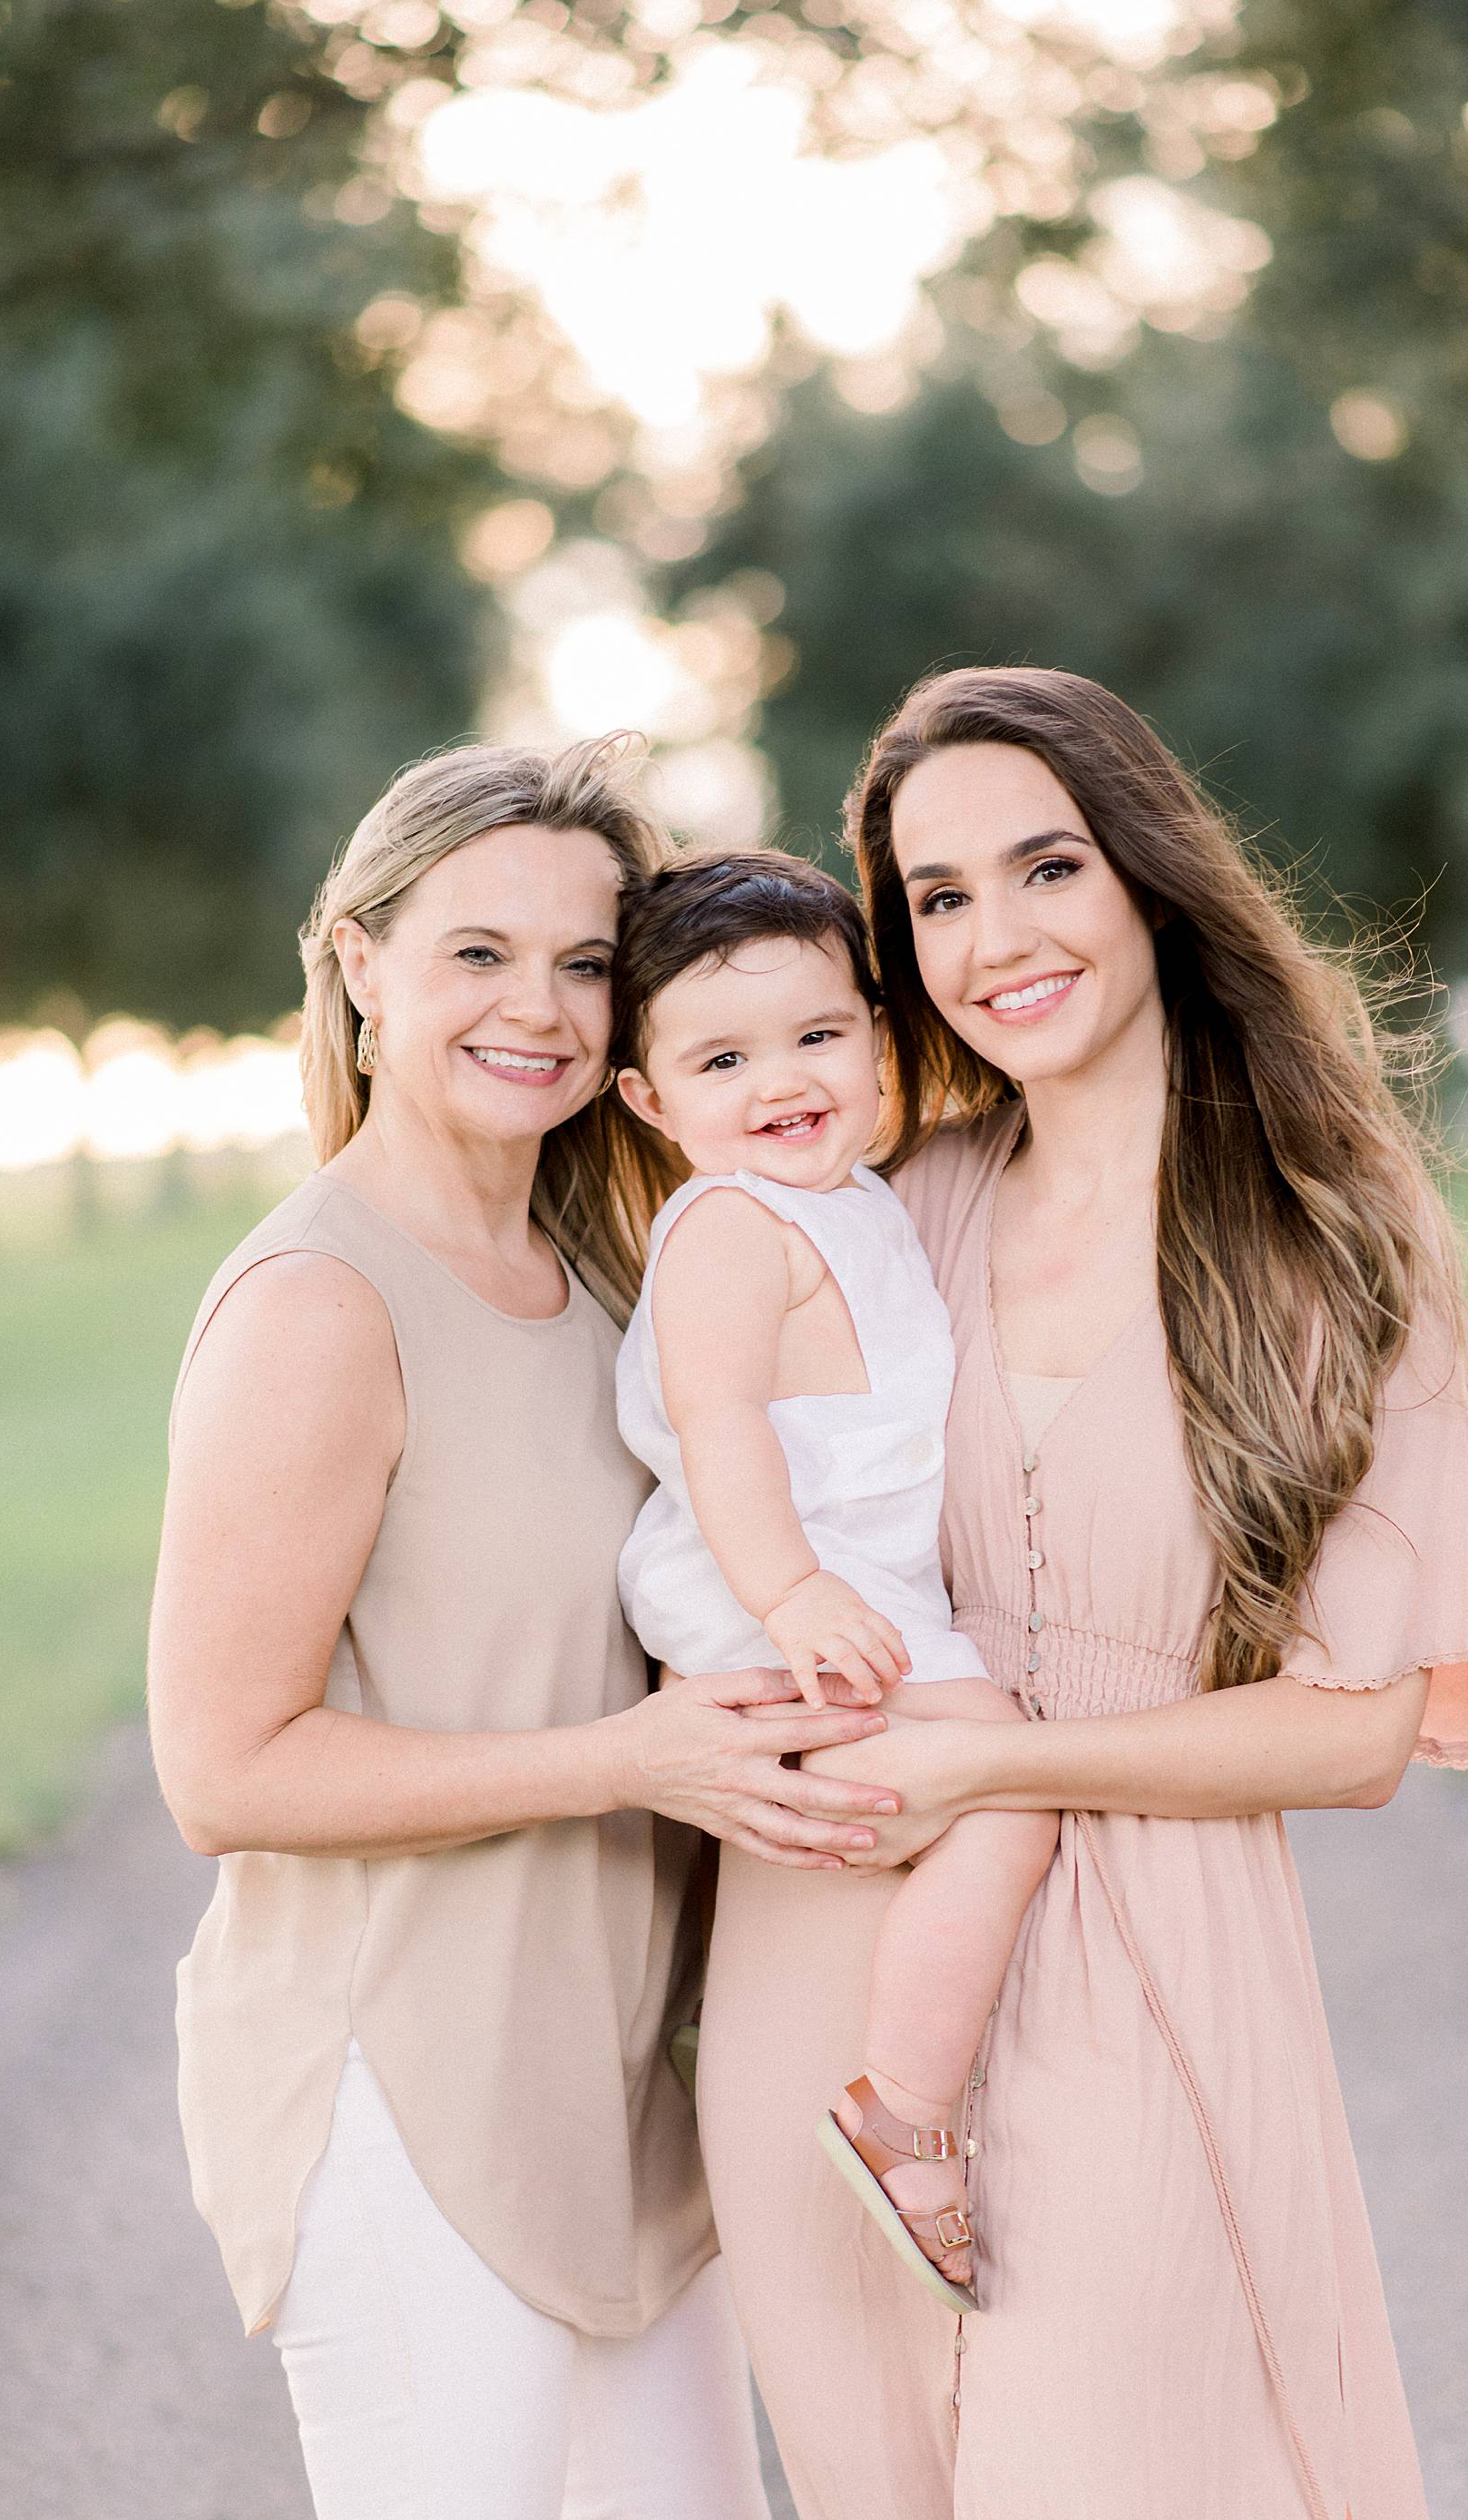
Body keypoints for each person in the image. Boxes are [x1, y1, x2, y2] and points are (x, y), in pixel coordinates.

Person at [695, 669, 1468, 2520]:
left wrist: (985, 1775)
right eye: (935, 897)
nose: (994, 936)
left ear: (1149, 875)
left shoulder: (1326, 1230)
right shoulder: (880, 1208)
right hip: (832, 1961)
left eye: (1043, 866)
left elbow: (1356, 1735)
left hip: (1146, 1962)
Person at [147, 739, 905, 2520]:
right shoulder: (321, 1298)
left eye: (582, 963)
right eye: (477, 951)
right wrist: (629, 1758)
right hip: (407, 2079)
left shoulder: (616, 1275)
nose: (538, 1006)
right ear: (359, 961)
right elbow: (219, 1768)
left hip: (619, 2087)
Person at [610, 850, 1057, 2310]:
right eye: (722, 1056)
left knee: (991, 1788)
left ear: (876, 1038)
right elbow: (720, 1424)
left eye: (816, 1035)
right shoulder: (730, 1227)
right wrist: (793, 1593)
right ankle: (905, 2109)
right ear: (648, 1102)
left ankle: (912, 2080)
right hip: (772, 1594)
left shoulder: (856, 1197)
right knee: (1009, 1790)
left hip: (848, 1584)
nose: (780, 1078)